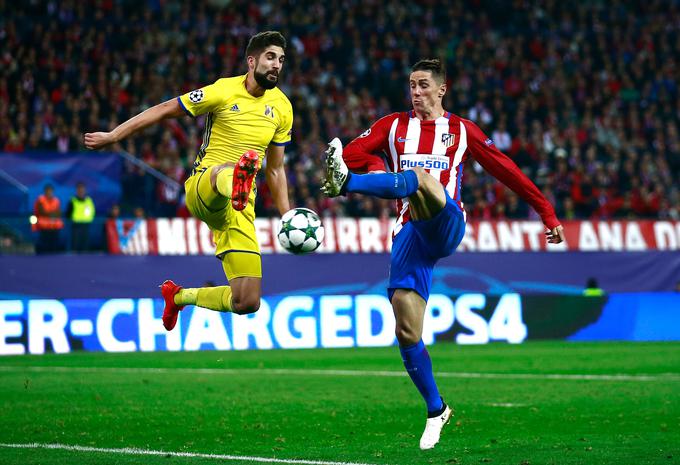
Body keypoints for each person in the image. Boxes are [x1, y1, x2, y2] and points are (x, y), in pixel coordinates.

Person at [322, 59, 565, 450]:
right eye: (411, 86)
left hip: (446, 221)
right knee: (406, 331)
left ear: (441, 89)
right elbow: (350, 153)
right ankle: (437, 409)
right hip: (409, 235)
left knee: (420, 180)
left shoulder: (461, 131)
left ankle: (348, 187)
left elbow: (505, 169)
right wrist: (377, 168)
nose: (415, 92)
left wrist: (546, 211)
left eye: (422, 85)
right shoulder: (392, 127)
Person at [84, 31, 293, 329]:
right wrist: (114, 135)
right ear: (251, 60)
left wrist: (286, 215)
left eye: (281, 60)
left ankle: (178, 297)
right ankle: (237, 178)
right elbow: (164, 109)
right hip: (204, 186)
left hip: (241, 208)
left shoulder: (283, 108)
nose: (276, 65)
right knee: (227, 170)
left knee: (247, 301)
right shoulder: (222, 91)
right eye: (270, 57)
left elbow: (275, 169)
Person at [32, 183, 64, 254]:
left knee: (54, 244)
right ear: (45, 191)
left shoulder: (56, 200)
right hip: (43, 226)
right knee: (44, 244)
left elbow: (59, 212)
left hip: (54, 226)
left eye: (50, 191)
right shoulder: (40, 199)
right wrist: (52, 214)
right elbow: (41, 211)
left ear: (52, 191)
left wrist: (51, 214)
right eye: (47, 190)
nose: (49, 192)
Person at [65, 182, 96, 252]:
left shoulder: (89, 200)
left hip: (86, 226)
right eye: (79, 189)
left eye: (82, 189)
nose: (81, 191)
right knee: (75, 246)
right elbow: (68, 214)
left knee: (85, 246)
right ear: (76, 190)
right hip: (76, 226)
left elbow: (93, 212)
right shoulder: (72, 201)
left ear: (85, 190)